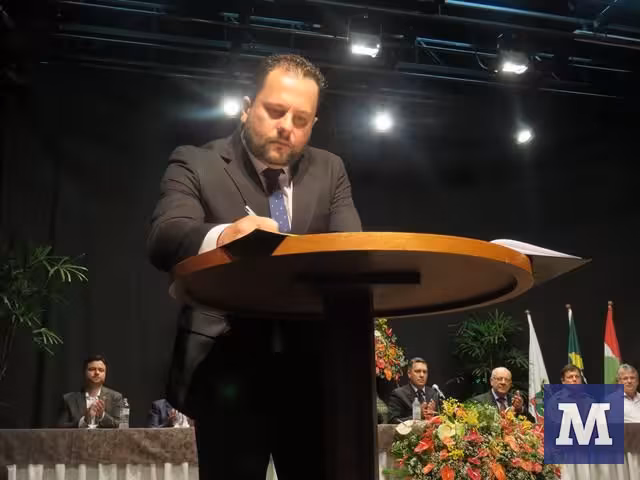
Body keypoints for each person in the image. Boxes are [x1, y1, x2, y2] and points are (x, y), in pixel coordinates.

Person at [147, 54, 361, 480]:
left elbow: (349, 250)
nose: (287, 127)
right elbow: (165, 237)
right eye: (275, 111)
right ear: (247, 107)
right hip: (225, 371)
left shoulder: (330, 169)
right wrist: (225, 236)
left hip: (311, 375)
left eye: (301, 119)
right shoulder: (196, 162)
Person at [56, 354, 123, 428]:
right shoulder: (69, 399)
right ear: (84, 372)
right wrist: (84, 421)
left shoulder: (116, 397)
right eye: (92, 369)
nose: (97, 372)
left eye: (101, 370)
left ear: (105, 374)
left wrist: (102, 416)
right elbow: (60, 427)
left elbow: (121, 425)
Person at [471, 366, 535, 422]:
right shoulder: (478, 402)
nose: (503, 382)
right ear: (491, 381)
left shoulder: (516, 400)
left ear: (510, 384)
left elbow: (532, 423)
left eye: (507, 380)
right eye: (499, 379)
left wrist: (520, 409)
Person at [388, 357, 439, 423]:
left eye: (425, 372)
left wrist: (434, 416)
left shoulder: (433, 393)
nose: (422, 375)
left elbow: (440, 418)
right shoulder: (399, 394)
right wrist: (417, 416)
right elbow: (393, 421)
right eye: (417, 371)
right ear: (409, 374)